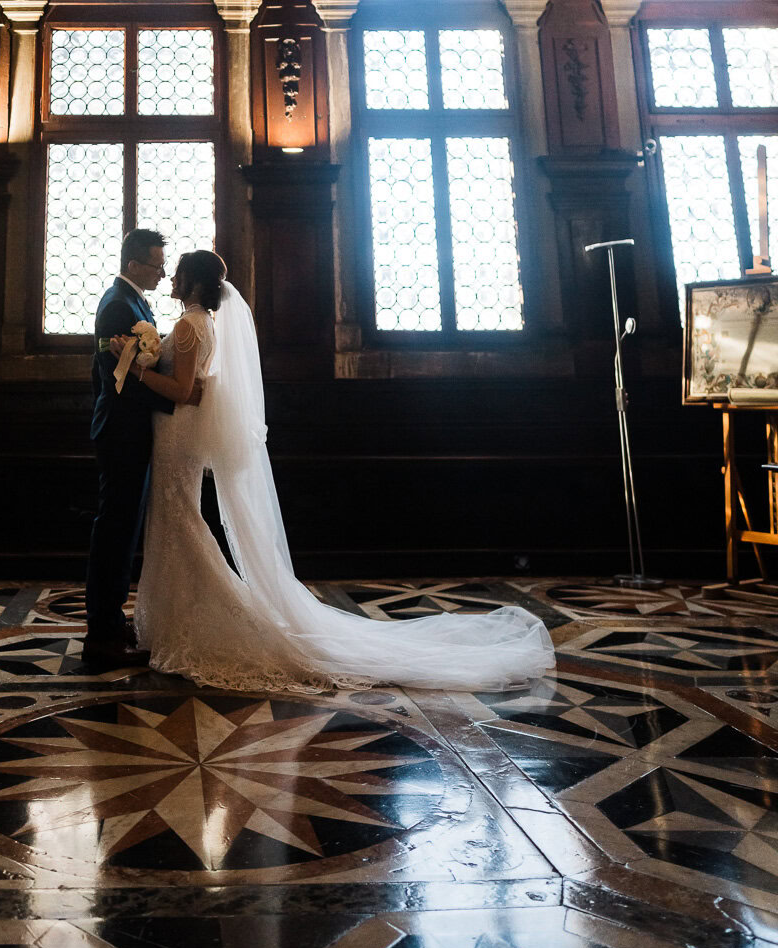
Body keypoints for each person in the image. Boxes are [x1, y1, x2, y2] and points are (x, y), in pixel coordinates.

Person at [115, 249, 555, 693]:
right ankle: (175, 621)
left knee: (179, 522)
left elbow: (183, 390)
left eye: (178, 272)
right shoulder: (203, 323)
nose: (170, 277)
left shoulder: (189, 326)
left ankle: (206, 622)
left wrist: (136, 369)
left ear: (192, 281)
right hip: (176, 435)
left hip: (177, 436)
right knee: (177, 520)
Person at [83, 228, 175, 669]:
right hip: (122, 432)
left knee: (122, 528)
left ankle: (110, 621)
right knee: (116, 530)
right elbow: (120, 380)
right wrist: (178, 397)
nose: (162, 272)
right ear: (134, 264)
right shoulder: (120, 304)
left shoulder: (129, 301)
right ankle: (102, 633)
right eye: (156, 264)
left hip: (124, 429)